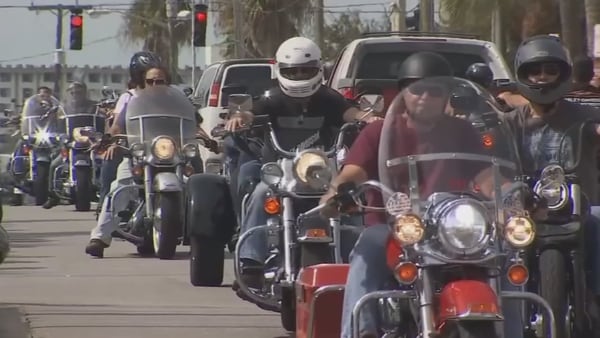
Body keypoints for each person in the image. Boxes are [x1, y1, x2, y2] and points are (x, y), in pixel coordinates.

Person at [320, 51, 524, 338]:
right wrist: (339, 192)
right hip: (394, 227)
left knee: (504, 257)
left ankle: (515, 332)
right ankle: (358, 331)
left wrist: (510, 198)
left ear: (446, 96)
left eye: (434, 91)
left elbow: (486, 175)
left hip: (451, 227)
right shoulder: (378, 132)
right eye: (418, 90)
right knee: (368, 244)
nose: (425, 97)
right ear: (403, 93)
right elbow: (353, 172)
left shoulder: (462, 130)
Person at [225, 36, 381, 292]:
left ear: (318, 69)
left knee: (350, 204)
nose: (298, 76)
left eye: (305, 70)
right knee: (261, 193)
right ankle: (250, 261)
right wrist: (240, 117)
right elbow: (250, 110)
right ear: (280, 71)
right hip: (282, 173)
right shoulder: (272, 98)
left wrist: (370, 118)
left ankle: (360, 259)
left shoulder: (328, 98)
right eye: (292, 71)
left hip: (322, 174)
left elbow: (350, 112)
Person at [509, 35, 600, 305]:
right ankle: (505, 305)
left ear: (564, 74)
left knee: (599, 221)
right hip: (523, 206)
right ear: (523, 74)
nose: (543, 77)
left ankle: (596, 295)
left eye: (551, 70)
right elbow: (483, 143)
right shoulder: (510, 121)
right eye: (535, 71)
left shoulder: (585, 116)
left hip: (578, 206)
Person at [85, 51, 162, 257]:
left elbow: (189, 118)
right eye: (149, 77)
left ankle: (205, 234)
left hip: (165, 152)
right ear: (139, 77)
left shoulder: (171, 97)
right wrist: (111, 138)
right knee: (120, 186)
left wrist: (204, 136)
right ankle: (99, 237)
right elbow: (118, 124)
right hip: (138, 153)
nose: (155, 82)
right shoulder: (129, 97)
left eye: (159, 78)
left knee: (196, 180)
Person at [43, 81, 97, 209]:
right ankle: (53, 195)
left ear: (84, 92)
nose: (75, 94)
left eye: (78, 92)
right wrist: (61, 136)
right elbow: (58, 125)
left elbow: (100, 120)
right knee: (54, 165)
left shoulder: (94, 106)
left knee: (106, 163)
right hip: (71, 143)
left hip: (91, 143)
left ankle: (107, 195)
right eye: (72, 92)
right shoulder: (63, 108)